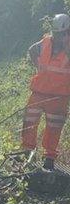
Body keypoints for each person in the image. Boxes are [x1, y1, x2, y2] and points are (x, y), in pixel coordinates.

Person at [22, 13, 70, 171]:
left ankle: (49, 157)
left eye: (62, 34)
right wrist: (38, 66)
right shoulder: (45, 43)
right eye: (56, 34)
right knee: (29, 121)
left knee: (54, 127)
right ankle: (27, 151)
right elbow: (32, 50)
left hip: (59, 96)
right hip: (39, 91)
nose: (57, 37)